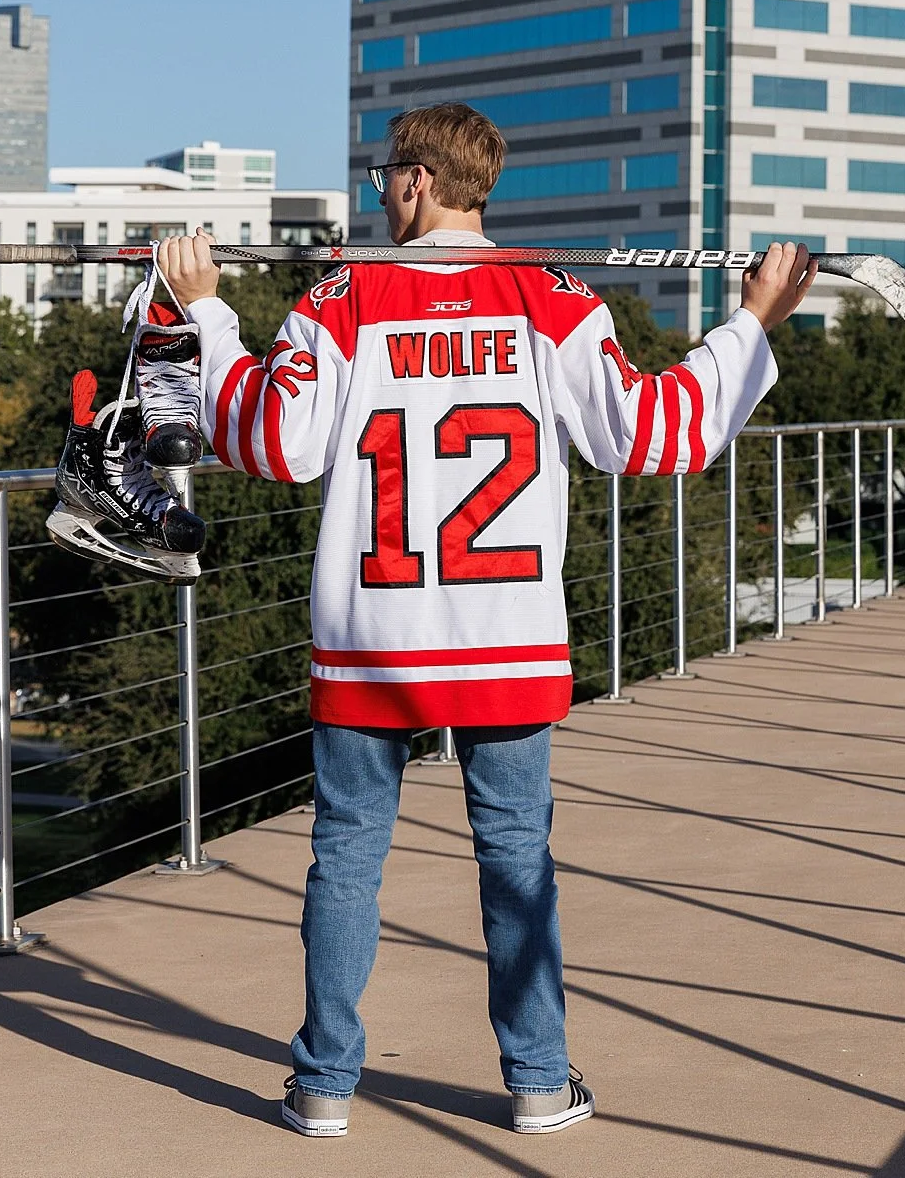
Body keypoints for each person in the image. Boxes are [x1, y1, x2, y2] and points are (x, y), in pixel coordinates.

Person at [152, 102, 815, 1138]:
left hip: (371, 635)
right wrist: (753, 320)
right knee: (514, 853)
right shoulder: (549, 295)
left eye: (382, 179)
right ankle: (539, 1082)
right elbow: (654, 432)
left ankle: (324, 1085)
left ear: (417, 181)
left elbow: (272, 439)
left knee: (346, 856)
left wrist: (205, 310)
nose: (378, 195)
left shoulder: (343, 297)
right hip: (502, 630)